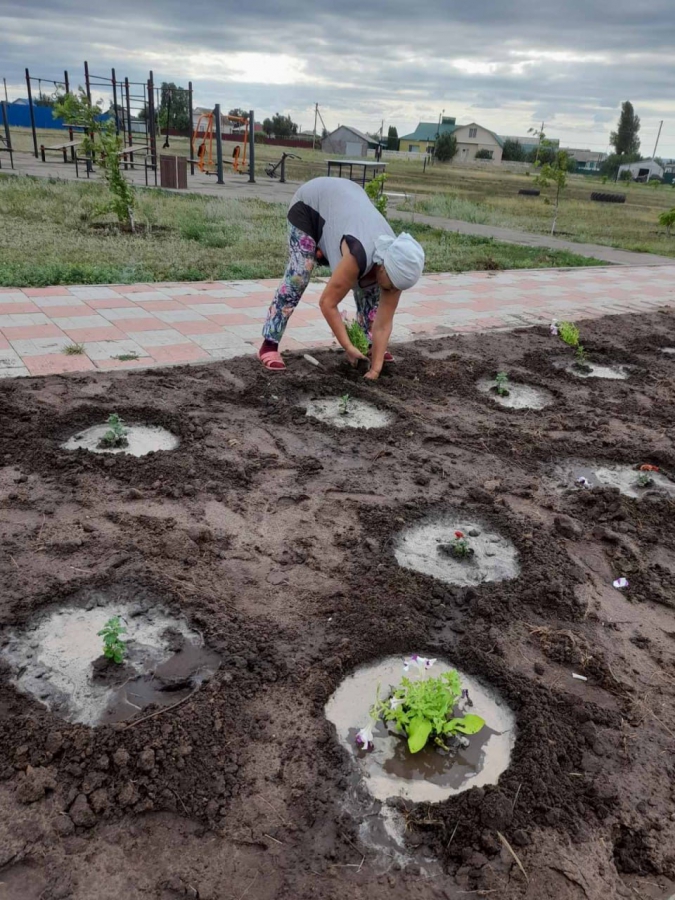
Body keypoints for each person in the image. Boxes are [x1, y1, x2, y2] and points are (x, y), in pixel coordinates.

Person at [258, 176, 425, 381]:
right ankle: (269, 343)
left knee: (371, 294)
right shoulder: (358, 255)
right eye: (391, 285)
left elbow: (383, 322)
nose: (390, 291)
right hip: (311, 205)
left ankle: (368, 347)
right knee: (299, 276)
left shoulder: (398, 262)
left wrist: (376, 367)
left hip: (344, 208)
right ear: (383, 265)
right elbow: (327, 303)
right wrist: (347, 346)